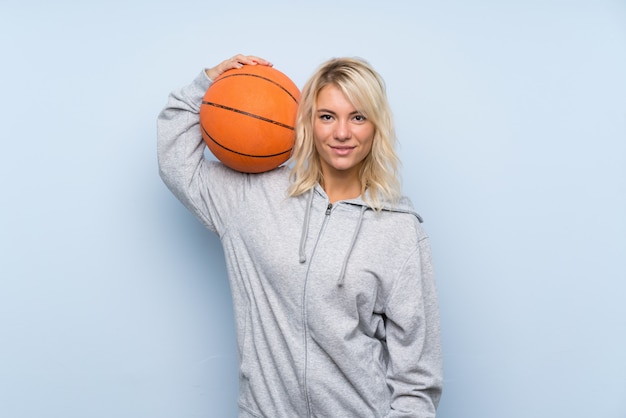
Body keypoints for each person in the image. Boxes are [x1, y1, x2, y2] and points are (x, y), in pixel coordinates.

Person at [157, 54, 443, 417]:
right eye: (327, 116)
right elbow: (176, 161)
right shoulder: (252, 198)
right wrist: (206, 82)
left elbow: (417, 377)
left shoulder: (399, 230)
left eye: (358, 117)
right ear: (308, 121)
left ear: (376, 127)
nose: (342, 132)